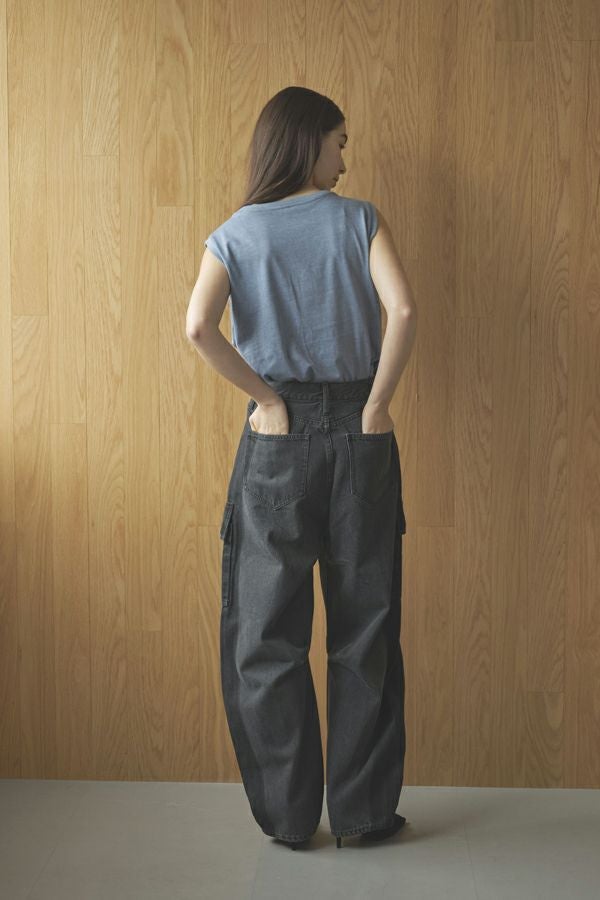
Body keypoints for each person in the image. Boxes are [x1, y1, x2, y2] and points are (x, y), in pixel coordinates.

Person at [185, 86, 417, 850]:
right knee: (366, 626)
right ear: (308, 139)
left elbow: (198, 327)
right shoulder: (359, 220)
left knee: (266, 635)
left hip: (276, 439)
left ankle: (288, 821)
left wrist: (265, 399)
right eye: (339, 142)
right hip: (360, 433)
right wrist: (376, 405)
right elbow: (403, 311)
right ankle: (363, 816)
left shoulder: (235, 233)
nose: (345, 159)